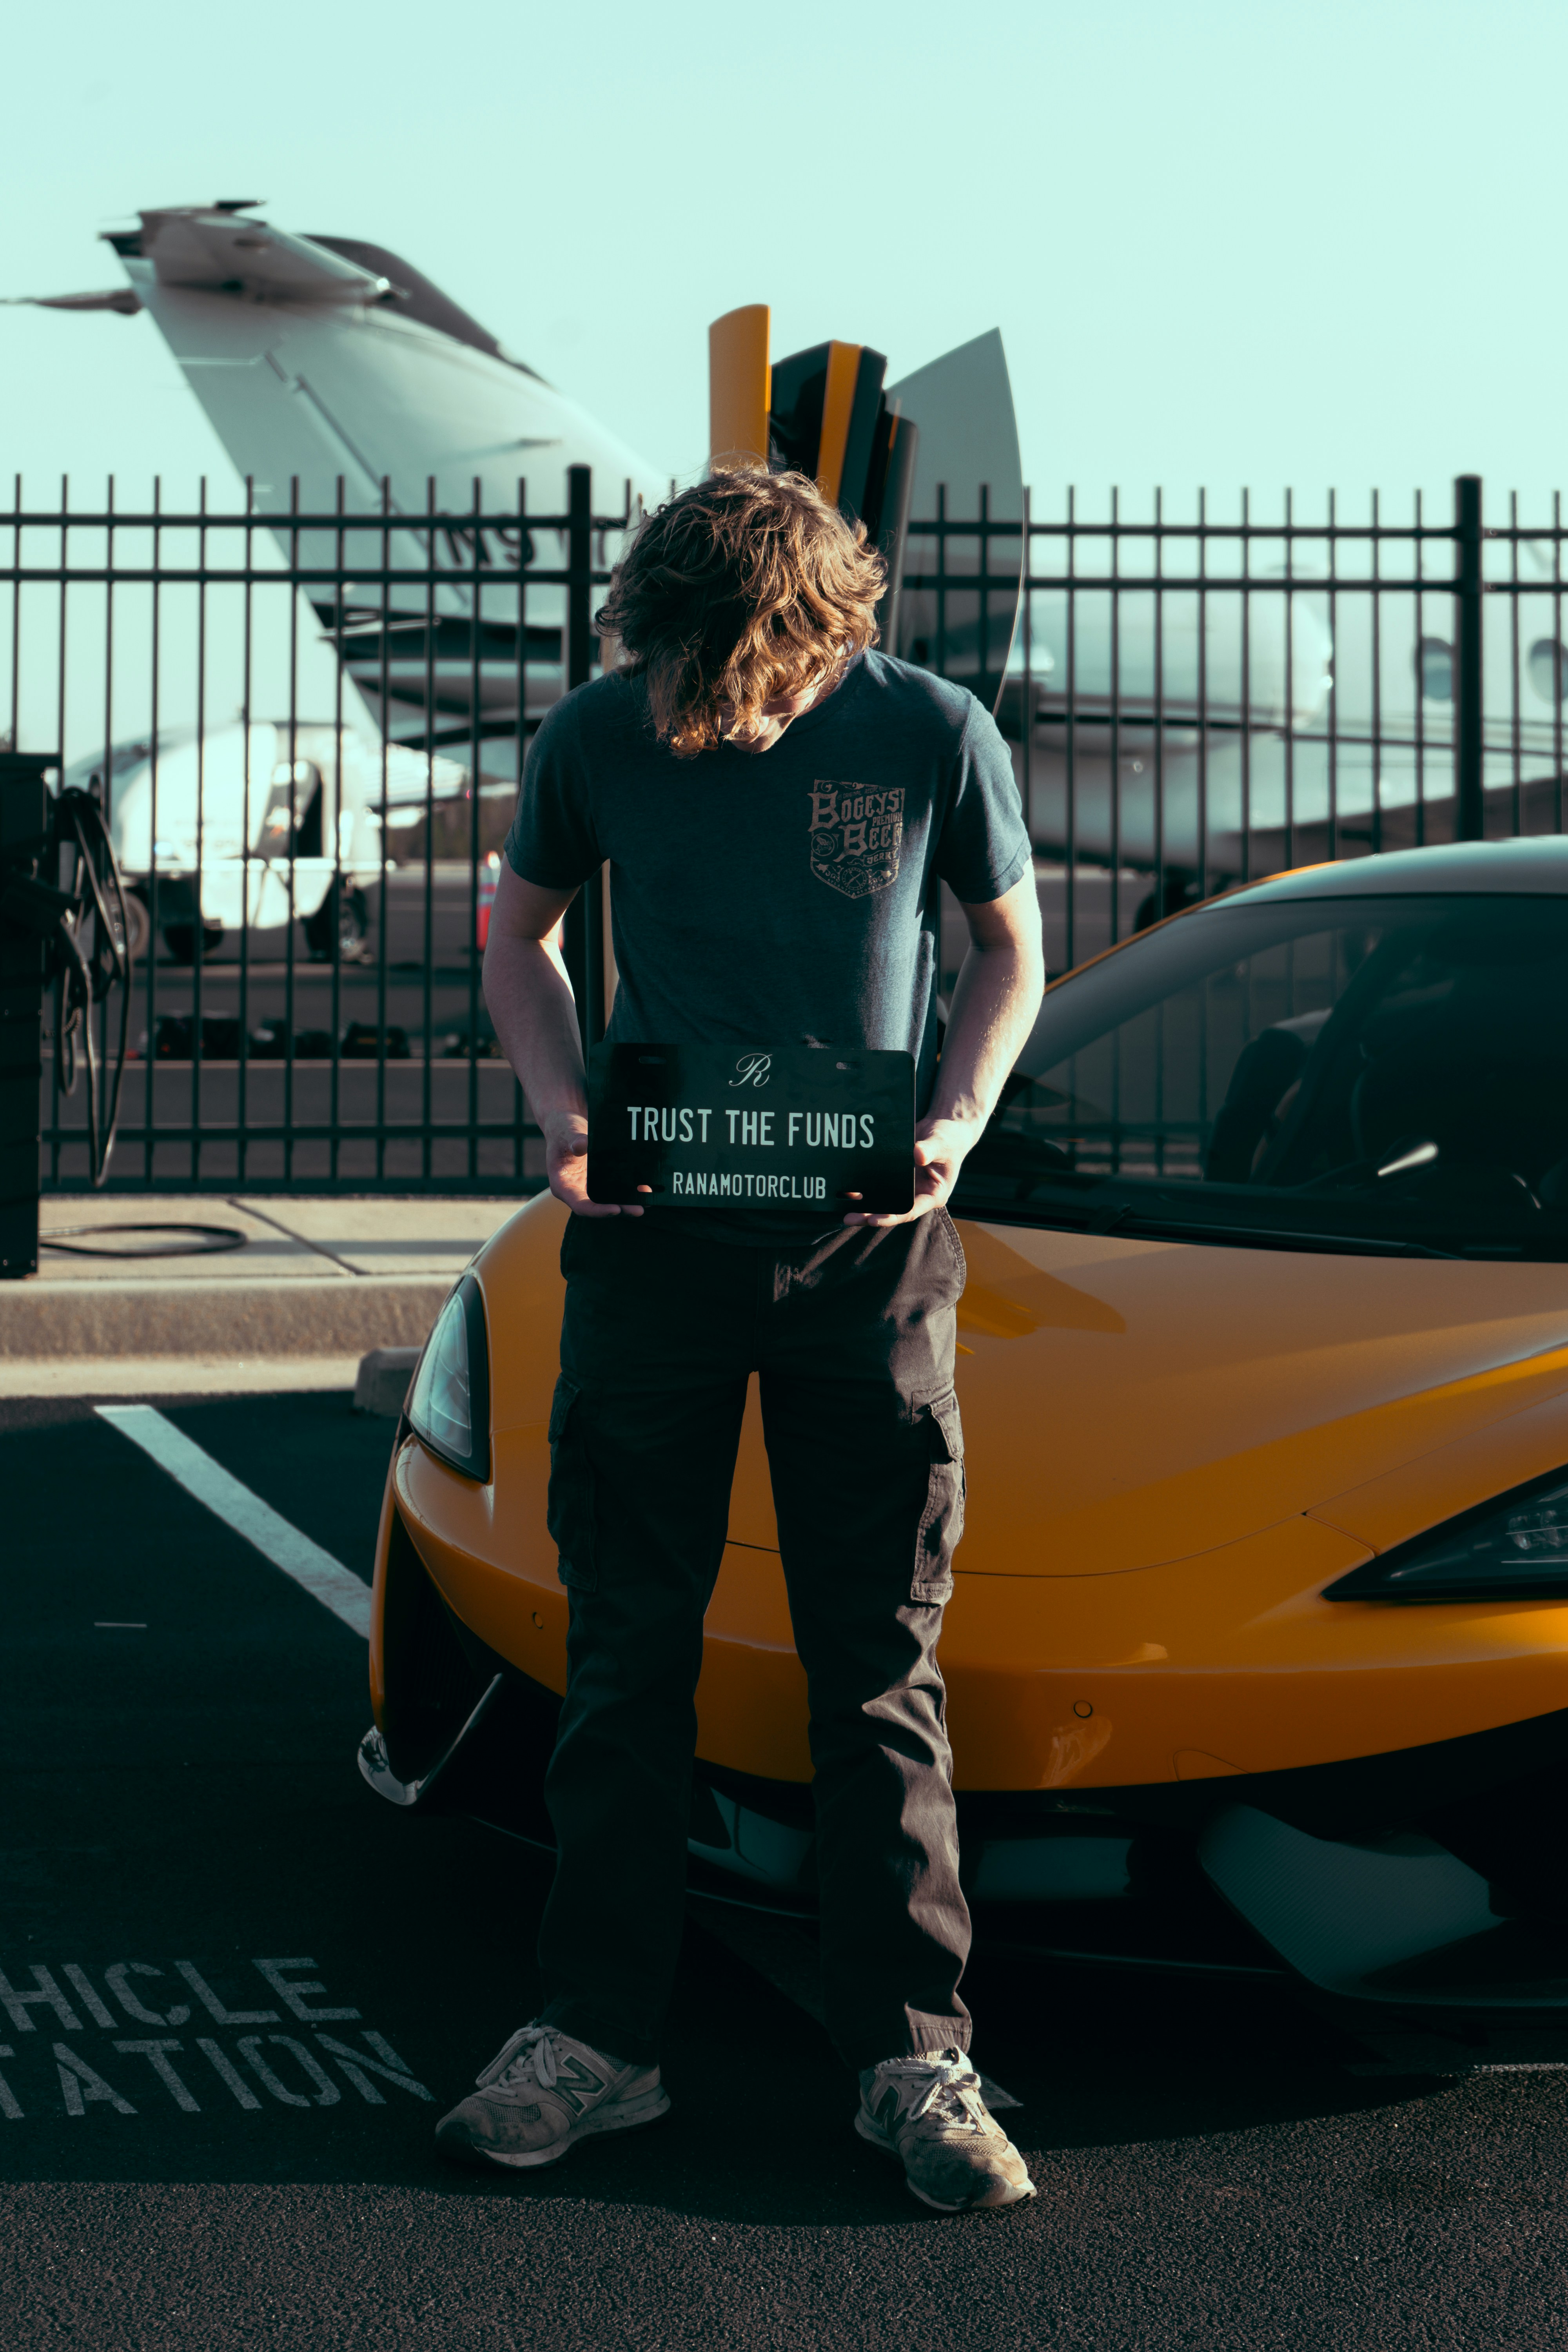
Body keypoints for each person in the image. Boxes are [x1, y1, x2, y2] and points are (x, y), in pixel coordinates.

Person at [438, 469, 1045, 2212]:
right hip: (651, 1257)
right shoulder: (596, 735)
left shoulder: (929, 731)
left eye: (755, 673)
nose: (724, 705)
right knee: (626, 1658)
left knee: (874, 1670)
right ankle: (594, 2042)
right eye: (691, 667)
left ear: (814, 627)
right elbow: (521, 940)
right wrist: (558, 1116)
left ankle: (914, 2063)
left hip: (870, 1260)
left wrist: (954, 1122)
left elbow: (1005, 951)